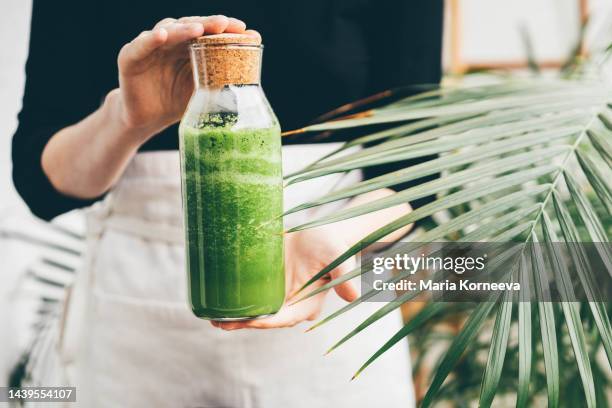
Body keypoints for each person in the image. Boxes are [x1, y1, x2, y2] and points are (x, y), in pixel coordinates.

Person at [12, 1, 443, 407]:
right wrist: (128, 117)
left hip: (331, 283)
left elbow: (416, 172)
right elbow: (41, 181)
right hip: (139, 305)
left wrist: (339, 238)